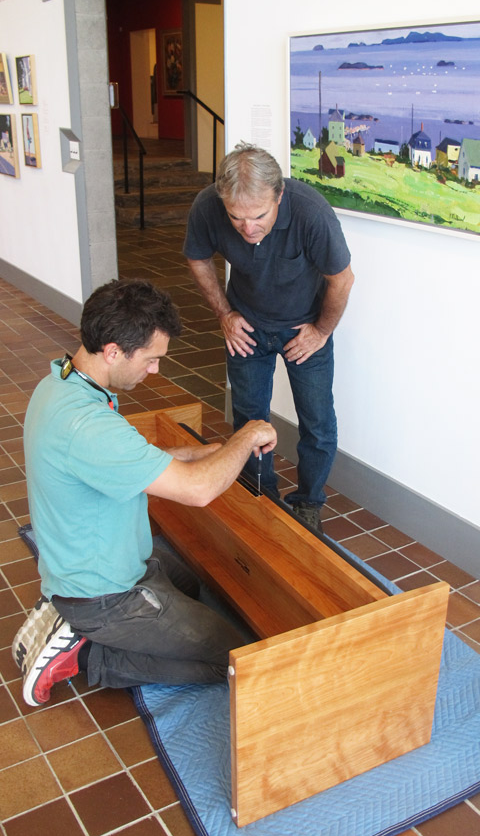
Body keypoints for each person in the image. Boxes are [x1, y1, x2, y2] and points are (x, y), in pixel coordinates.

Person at [13, 279, 276, 707]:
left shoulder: (63, 382)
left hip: (96, 566)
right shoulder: (90, 427)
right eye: (151, 360)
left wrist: (205, 450)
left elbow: (130, 457)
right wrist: (246, 436)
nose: (155, 370)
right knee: (236, 658)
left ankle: (75, 619)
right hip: (105, 596)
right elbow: (199, 490)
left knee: (189, 583)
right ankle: (92, 656)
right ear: (114, 351)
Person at [183, 142, 354, 532]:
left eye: (258, 216)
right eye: (236, 218)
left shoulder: (311, 213)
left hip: (303, 329)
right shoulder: (208, 206)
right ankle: (261, 494)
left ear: (279, 195)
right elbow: (197, 257)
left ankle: (309, 502)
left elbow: (342, 280)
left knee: (317, 423)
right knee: (248, 420)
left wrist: (321, 332)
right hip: (248, 326)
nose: (248, 228)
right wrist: (225, 314)